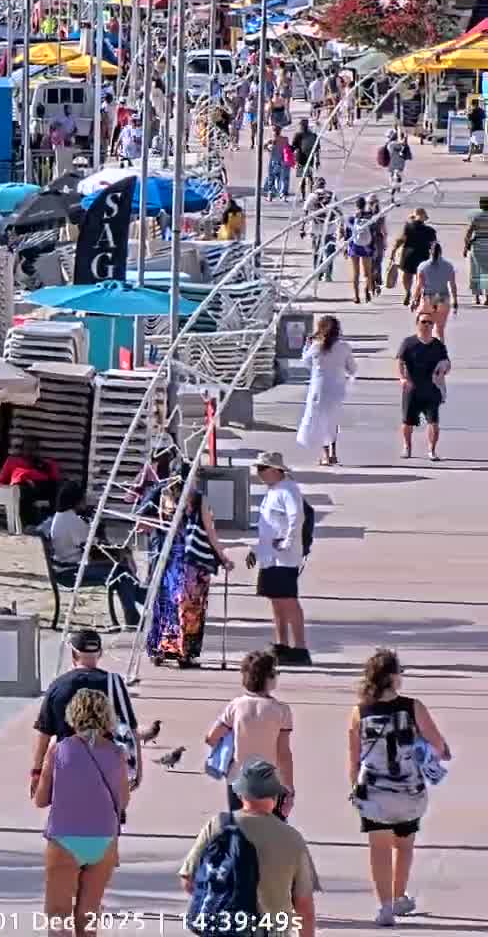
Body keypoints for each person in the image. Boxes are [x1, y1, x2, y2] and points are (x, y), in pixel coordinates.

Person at [350, 649, 452, 926]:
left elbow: (354, 759)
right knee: (404, 846)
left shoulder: (359, 712)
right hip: (409, 791)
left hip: (373, 791)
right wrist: (436, 753)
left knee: (378, 848)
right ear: (393, 678)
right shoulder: (413, 707)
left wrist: (354, 789)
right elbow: (439, 745)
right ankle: (398, 898)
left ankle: (384, 907)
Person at [179, 760, 318, 937]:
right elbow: (303, 904)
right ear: (275, 797)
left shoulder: (218, 826)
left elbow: (188, 879)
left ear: (240, 794)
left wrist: (219, 899)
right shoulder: (292, 838)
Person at [35, 689, 129, 933]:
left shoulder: (58, 749)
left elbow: (41, 799)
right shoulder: (117, 753)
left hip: (64, 838)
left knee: (58, 915)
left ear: (72, 715)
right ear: (106, 716)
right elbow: (123, 801)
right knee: (88, 916)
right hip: (104, 841)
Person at [32, 629, 139, 799]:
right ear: (100, 653)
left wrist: (37, 771)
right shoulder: (114, 683)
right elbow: (129, 728)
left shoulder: (58, 685)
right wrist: (136, 768)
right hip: (107, 770)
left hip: (67, 767)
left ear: (73, 654)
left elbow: (44, 733)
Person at [145, 462, 231, 668]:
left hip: (168, 558)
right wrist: (223, 557)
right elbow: (210, 532)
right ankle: (185, 652)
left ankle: (162, 648)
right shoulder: (198, 498)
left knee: (167, 603)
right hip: (192, 560)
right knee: (190, 606)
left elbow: (148, 525)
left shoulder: (163, 494)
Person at [41, 484, 144, 628]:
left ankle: (136, 612)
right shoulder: (71, 520)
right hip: (70, 572)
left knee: (122, 573)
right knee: (122, 574)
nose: (85, 502)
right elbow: (94, 545)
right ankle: (141, 606)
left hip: (65, 567)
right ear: (75, 501)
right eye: (83, 499)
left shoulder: (61, 517)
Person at [206, 650, 296, 812]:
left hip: (237, 778)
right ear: (268, 679)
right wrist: (289, 787)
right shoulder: (282, 710)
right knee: (267, 831)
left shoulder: (236, 705)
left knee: (240, 828)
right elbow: (283, 754)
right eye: (274, 672)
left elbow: (211, 737)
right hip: (269, 781)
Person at [248, 451, 309, 666]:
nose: (259, 473)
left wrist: (287, 543)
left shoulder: (288, 490)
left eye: (262, 469)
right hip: (268, 556)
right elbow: (266, 526)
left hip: (284, 557)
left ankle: (300, 647)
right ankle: (282, 644)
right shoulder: (272, 491)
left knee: (288, 600)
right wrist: (255, 550)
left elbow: (296, 518)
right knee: (275, 599)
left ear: (275, 470)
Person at [296, 316, 357, 466]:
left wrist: (307, 345)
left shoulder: (316, 346)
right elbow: (352, 368)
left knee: (321, 421)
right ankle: (333, 453)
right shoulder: (344, 347)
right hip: (337, 390)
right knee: (333, 420)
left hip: (319, 389)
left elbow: (306, 361)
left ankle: (325, 455)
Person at [397, 311, 450, 461]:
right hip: (412, 389)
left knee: (434, 422)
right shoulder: (408, 343)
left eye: (429, 323)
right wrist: (402, 378)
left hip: (432, 389)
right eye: (423, 322)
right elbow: (400, 362)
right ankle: (407, 447)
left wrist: (444, 370)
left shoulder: (438, 346)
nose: (427, 325)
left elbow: (447, 363)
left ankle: (431, 451)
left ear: (433, 325)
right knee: (407, 421)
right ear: (417, 324)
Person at [0, 435, 61, 531]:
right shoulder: (12, 461)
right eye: (28, 449)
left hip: (43, 490)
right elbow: (0, 483)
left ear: (39, 450)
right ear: (22, 450)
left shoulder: (48, 464)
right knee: (21, 491)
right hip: (21, 489)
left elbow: (56, 485)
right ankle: (29, 526)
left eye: (34, 449)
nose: (31, 452)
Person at [412, 243, 459, 341]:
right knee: (440, 329)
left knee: (423, 326)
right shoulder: (449, 266)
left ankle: (424, 346)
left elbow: (419, 285)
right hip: (443, 298)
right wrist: (455, 300)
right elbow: (453, 285)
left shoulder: (423, 266)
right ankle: (440, 351)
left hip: (428, 298)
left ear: (430, 251)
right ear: (441, 252)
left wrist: (414, 299)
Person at [397, 208, 438, 309]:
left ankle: (407, 292)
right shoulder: (430, 231)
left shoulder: (408, 227)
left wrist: (394, 251)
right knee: (420, 278)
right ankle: (418, 295)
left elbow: (401, 240)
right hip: (423, 255)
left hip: (408, 255)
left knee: (407, 276)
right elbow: (434, 245)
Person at [346, 198, 377, 303]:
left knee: (356, 273)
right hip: (366, 247)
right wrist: (373, 247)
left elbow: (348, 234)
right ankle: (367, 290)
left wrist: (346, 249)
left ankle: (356, 296)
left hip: (354, 247)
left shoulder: (351, 218)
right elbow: (374, 233)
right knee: (367, 272)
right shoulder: (370, 217)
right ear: (365, 205)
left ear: (356, 206)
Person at [464, 196, 488, 305]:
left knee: (475, 271)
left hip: (477, 245)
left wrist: (465, 247)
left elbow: (469, 233)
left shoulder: (476, 217)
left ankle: (477, 297)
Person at [292, 118, 320, 197]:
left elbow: (293, 147)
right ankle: (306, 195)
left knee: (306, 177)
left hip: (304, 158)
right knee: (306, 177)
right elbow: (317, 148)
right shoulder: (311, 135)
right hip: (304, 158)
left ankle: (307, 195)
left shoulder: (300, 135)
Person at [384, 129, 413, 200]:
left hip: (392, 163)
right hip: (400, 162)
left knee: (391, 175)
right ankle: (398, 185)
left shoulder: (390, 144)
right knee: (398, 174)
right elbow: (403, 145)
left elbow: (391, 150)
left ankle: (393, 187)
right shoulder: (399, 143)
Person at [467, 97, 485, 161]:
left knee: (472, 145)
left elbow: (469, 122)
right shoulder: (482, 111)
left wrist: (470, 131)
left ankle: (469, 155)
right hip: (481, 130)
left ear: (473, 105)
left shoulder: (472, 112)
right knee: (481, 148)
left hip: (474, 130)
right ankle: (469, 156)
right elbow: (483, 121)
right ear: (478, 104)